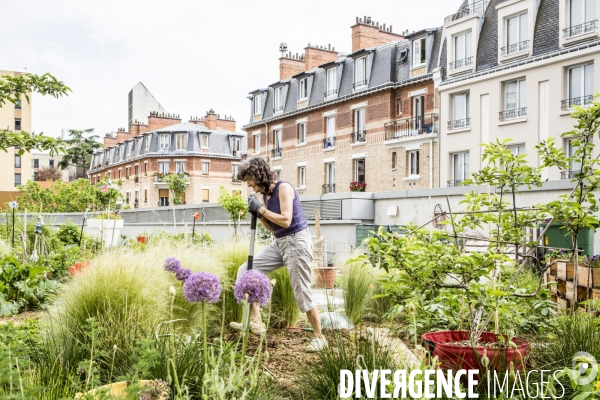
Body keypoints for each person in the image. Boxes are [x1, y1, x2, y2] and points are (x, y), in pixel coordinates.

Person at [229, 157, 327, 352]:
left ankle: (320, 337)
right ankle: (256, 320)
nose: (249, 184)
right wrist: (259, 214)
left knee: (301, 291)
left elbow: (285, 220)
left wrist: (263, 209)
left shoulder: (284, 188)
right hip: (281, 242)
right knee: (247, 269)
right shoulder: (265, 196)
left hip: (297, 242)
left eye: (249, 179)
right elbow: (274, 229)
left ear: (258, 175)